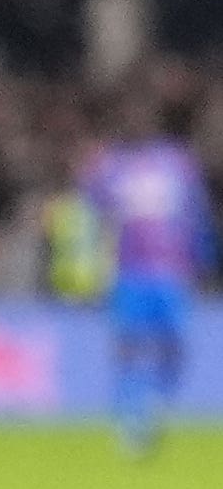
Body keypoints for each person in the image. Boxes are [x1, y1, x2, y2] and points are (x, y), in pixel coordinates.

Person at [81, 95, 212, 459]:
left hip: (171, 272)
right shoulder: (109, 168)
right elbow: (89, 218)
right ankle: (131, 419)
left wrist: (202, 260)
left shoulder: (177, 164)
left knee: (174, 348)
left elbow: (195, 216)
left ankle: (154, 403)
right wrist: (90, 271)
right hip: (130, 273)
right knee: (130, 348)